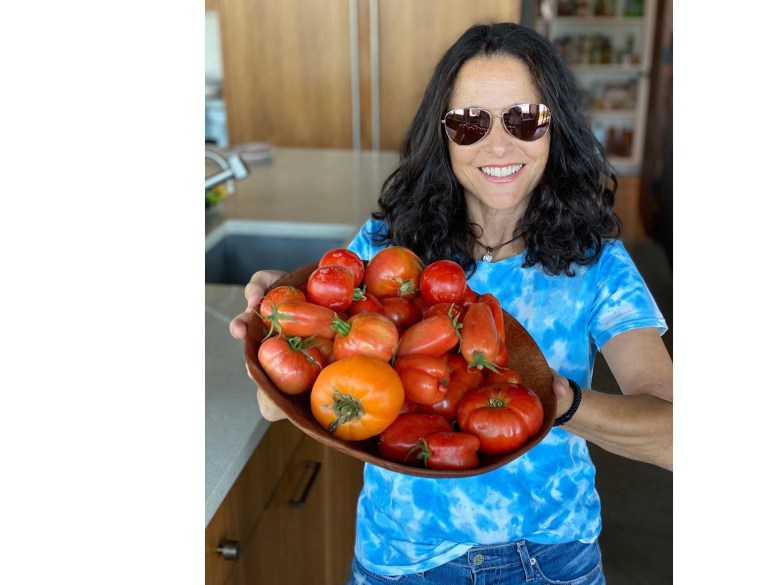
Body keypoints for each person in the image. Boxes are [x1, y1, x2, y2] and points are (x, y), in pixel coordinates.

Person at [229, 22, 672, 585]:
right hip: (400, 558)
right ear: (443, 134)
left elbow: (674, 438)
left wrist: (561, 405)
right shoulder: (387, 244)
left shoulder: (595, 260)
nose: (498, 144)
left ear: (553, 127)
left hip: (548, 560)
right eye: (469, 123)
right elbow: (278, 405)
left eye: (524, 118)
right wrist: (275, 318)